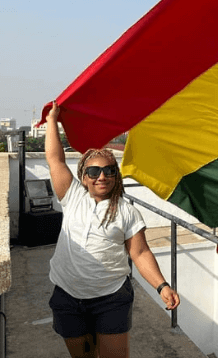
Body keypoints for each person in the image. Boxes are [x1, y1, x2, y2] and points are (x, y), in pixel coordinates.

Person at [45, 101, 179, 358]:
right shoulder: (72, 197)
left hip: (110, 299)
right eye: (94, 171)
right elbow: (55, 159)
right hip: (68, 295)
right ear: (83, 177)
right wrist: (53, 120)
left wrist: (162, 286)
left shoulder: (127, 211)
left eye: (108, 171)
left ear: (116, 176)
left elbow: (140, 254)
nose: (101, 176)